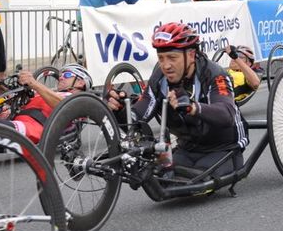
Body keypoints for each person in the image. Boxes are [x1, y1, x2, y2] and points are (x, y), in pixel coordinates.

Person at [107, 22, 249, 176]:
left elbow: (227, 114)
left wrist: (192, 107)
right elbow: (138, 117)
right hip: (188, 147)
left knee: (199, 181)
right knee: (162, 178)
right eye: (161, 58)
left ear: (191, 55)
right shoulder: (160, 77)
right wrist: (120, 110)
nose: (166, 65)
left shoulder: (214, 74)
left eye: (172, 57)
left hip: (224, 146)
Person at [0, 63, 92, 144]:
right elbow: (13, 100)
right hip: (16, 120)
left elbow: (64, 106)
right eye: (61, 75)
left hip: (36, 129)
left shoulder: (79, 101)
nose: (61, 77)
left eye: (67, 75)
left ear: (81, 82)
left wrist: (34, 83)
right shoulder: (46, 93)